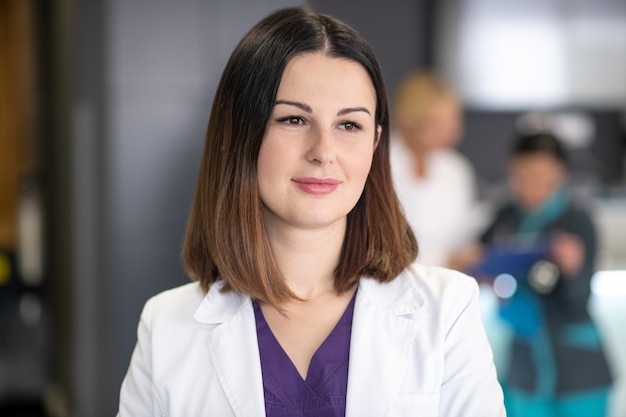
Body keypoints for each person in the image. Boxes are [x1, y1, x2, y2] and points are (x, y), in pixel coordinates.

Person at [116, 7, 505, 417]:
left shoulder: (447, 312)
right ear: (240, 133)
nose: (323, 152)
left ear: (375, 142)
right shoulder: (166, 328)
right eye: (294, 119)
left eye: (348, 125)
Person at [451, 132, 613, 417]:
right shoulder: (505, 218)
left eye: (541, 176)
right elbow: (473, 268)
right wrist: (471, 262)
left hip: (578, 374)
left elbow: (577, 298)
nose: (530, 186)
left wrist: (573, 269)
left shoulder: (578, 222)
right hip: (523, 367)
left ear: (560, 174)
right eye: (521, 175)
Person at [390, 70, 482, 267]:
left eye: (453, 123)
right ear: (408, 122)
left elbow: (463, 234)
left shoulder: (457, 170)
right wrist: (442, 259)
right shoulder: (377, 163)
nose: (449, 133)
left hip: (447, 282)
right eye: (436, 124)